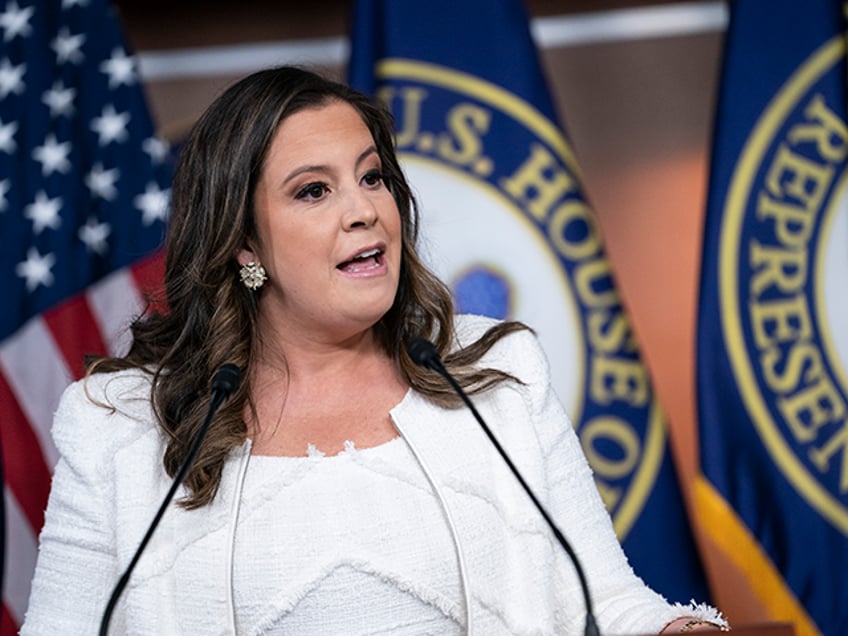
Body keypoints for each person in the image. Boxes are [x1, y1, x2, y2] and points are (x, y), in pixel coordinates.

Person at [22, 66, 728, 635]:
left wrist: (675, 631)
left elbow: (605, 599)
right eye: (313, 191)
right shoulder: (118, 422)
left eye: (372, 177)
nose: (364, 209)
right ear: (244, 244)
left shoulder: (500, 378)